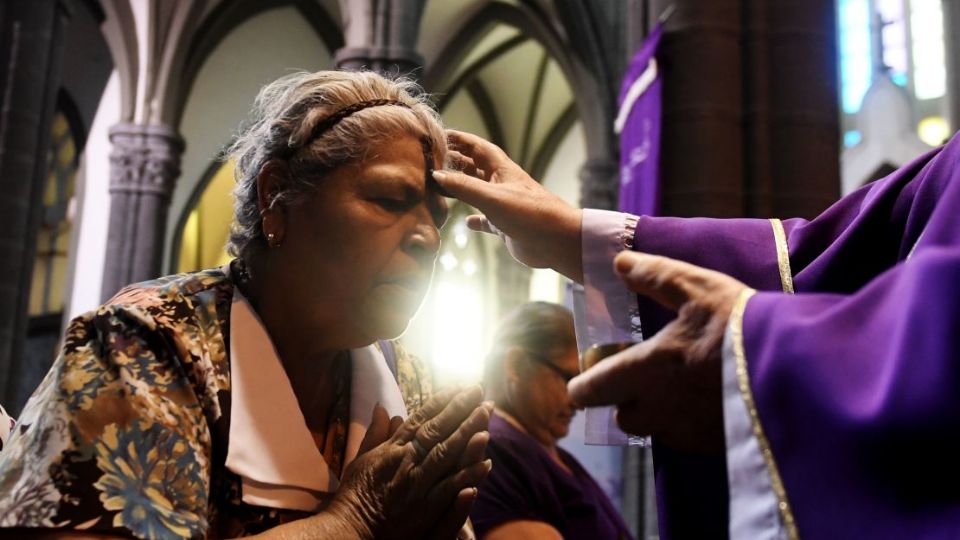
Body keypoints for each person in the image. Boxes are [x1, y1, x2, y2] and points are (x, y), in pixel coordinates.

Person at [0, 71, 493, 539]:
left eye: (438, 220)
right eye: (388, 199)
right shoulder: (141, 349)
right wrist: (354, 520)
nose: (429, 238)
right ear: (276, 195)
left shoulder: (414, 387)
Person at [432, 129, 960, 539]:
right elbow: (831, 254)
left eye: (578, 376)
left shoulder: (554, 460)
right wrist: (575, 236)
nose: (574, 395)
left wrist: (750, 354)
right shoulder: (504, 450)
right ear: (514, 366)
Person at [469, 302, 633, 540]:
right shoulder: (490, 451)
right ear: (516, 365)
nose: (579, 402)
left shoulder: (543, 452)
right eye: (569, 379)